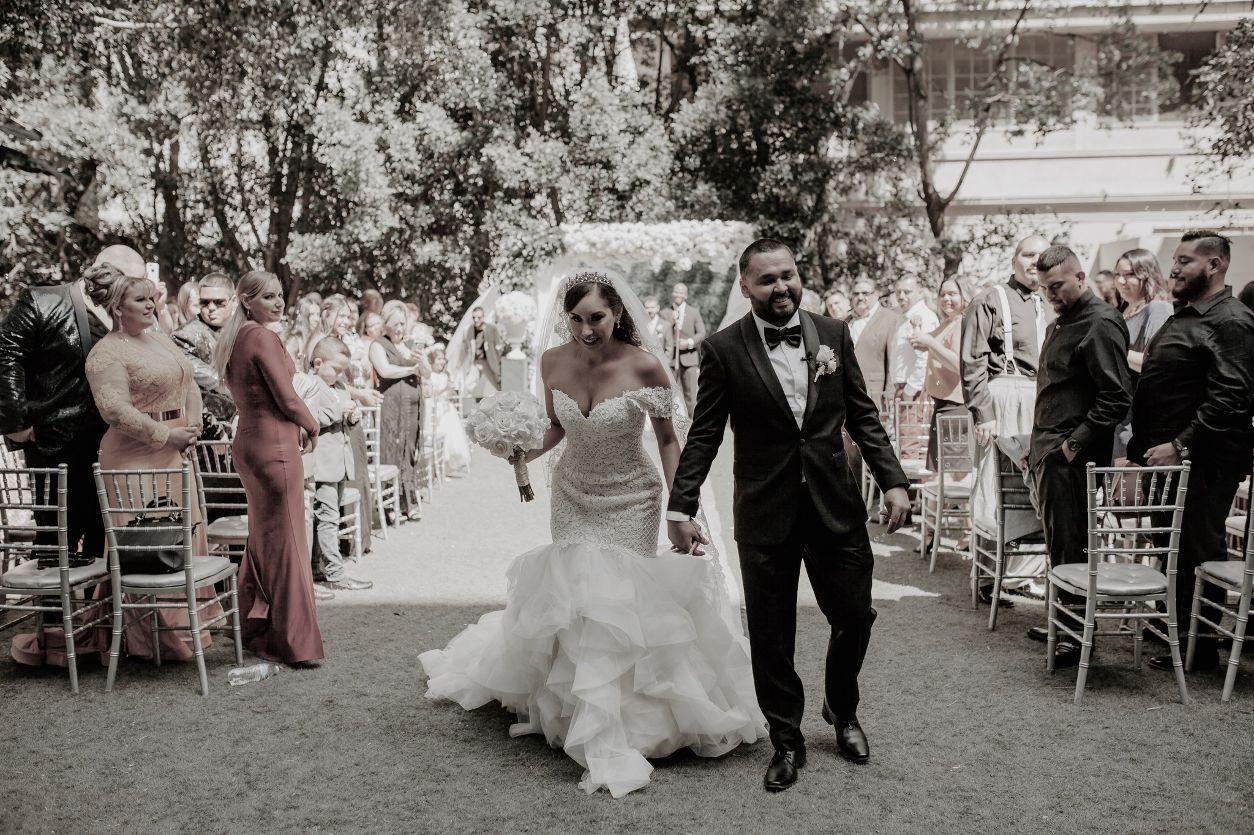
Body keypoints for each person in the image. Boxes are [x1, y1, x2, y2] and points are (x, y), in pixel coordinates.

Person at [421, 270, 764, 798]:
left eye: (597, 318)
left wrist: (681, 508)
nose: (586, 330)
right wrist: (520, 451)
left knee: (615, 600)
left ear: (618, 313)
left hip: (632, 496)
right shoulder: (551, 362)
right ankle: (579, 708)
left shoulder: (644, 365)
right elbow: (558, 426)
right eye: (576, 319)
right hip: (572, 493)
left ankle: (621, 723)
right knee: (578, 598)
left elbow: (668, 439)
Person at [668, 239, 911, 793]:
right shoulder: (723, 349)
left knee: (855, 616)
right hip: (764, 510)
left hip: (834, 504)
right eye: (767, 279)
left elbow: (863, 415)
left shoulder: (833, 334)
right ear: (745, 286)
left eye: (788, 275)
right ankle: (786, 739)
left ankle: (841, 708)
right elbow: (704, 436)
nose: (781, 287)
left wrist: (893, 480)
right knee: (772, 633)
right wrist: (681, 506)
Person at [1127, 231, 1254, 673]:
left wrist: (1181, 445)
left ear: (1215, 265)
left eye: (1185, 261)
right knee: (1172, 546)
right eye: (1175, 260)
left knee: (1197, 548)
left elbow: (1232, 398)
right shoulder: (1185, 315)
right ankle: (1175, 628)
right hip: (1164, 460)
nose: (1175, 268)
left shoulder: (1232, 321)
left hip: (1203, 460)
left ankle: (1199, 647)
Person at [85, 268, 220, 661]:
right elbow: (115, 410)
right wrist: (165, 435)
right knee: (148, 542)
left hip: (176, 450)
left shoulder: (160, 339)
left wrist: (191, 428)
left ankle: (188, 625)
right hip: (134, 458)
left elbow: (188, 382)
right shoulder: (106, 352)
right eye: (140, 300)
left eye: (151, 298)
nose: (151, 305)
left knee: (183, 535)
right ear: (117, 307)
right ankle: (152, 637)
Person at [0, 246, 143, 565]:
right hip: (55, 446)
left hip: (109, 447)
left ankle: (96, 598)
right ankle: (53, 598)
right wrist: (17, 423)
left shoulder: (126, 315)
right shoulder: (43, 300)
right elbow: (6, 354)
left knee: (103, 538)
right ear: (105, 273)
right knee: (55, 541)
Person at [1025, 246, 1132, 666]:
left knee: (1072, 544)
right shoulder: (1061, 322)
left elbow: (1116, 397)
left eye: (1057, 286)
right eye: (1044, 288)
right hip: (1050, 452)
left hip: (1073, 457)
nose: (1050, 295)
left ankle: (1074, 635)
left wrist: (1071, 446)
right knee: (1059, 542)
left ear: (1081, 277)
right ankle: (1063, 622)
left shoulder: (1101, 322)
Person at [213, 270, 324, 666]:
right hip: (274, 446)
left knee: (264, 538)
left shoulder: (236, 338)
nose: (278, 303)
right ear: (247, 301)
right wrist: (313, 425)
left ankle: (253, 627)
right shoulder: (261, 337)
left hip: (251, 444)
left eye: (280, 296)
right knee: (289, 538)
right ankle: (293, 642)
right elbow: (287, 397)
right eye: (268, 297)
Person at [960, 234, 1052, 601]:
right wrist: (983, 413)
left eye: (1042, 255)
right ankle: (986, 576)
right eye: (1028, 254)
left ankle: (1024, 574)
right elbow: (972, 360)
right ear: (1015, 259)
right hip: (1003, 399)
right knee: (995, 486)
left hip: (1039, 401)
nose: (1035, 261)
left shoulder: (1050, 302)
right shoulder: (991, 299)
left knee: (1032, 488)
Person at [299, 337, 373, 592]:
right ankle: (335, 572)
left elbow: (343, 420)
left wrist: (353, 417)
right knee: (328, 517)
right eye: (337, 369)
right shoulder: (309, 385)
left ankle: (317, 566)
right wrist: (338, 411)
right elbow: (309, 419)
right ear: (318, 363)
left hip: (340, 462)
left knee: (330, 516)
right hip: (322, 464)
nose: (341, 375)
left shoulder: (340, 387)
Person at [1110, 249, 1174, 459]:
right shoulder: (1123, 311)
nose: (1121, 281)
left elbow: (1154, 363)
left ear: (1147, 275)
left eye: (1129, 274)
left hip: (1136, 418)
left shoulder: (1158, 308)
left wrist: (1111, 352)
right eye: (1117, 274)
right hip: (1117, 414)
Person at [370, 302, 429, 519]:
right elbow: (385, 370)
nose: (399, 328)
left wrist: (422, 364)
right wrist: (411, 369)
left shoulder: (411, 345)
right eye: (395, 324)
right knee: (391, 450)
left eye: (402, 324)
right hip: (391, 407)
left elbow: (427, 373)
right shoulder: (378, 345)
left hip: (413, 407)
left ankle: (409, 502)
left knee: (409, 450)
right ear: (385, 325)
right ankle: (389, 505)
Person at [908, 277, 970, 472]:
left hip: (955, 406)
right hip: (942, 403)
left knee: (954, 473)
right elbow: (926, 345)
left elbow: (957, 363)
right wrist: (918, 331)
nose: (946, 299)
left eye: (952, 294)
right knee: (940, 471)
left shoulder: (962, 322)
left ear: (964, 296)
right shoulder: (948, 322)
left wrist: (929, 342)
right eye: (942, 294)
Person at [171, 272, 237, 435]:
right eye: (205, 302)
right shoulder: (184, 336)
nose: (211, 308)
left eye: (219, 302)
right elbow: (217, 382)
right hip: (208, 433)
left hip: (241, 428)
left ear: (234, 301)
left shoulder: (242, 332)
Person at [846, 276, 901, 409]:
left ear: (876, 294)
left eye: (865, 293)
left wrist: (890, 394)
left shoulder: (891, 319)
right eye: (856, 294)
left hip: (875, 394)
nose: (860, 297)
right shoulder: (844, 321)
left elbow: (893, 361)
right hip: (847, 394)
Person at [890, 275, 940, 402]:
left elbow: (926, 358)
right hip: (904, 390)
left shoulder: (925, 316)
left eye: (907, 292)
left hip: (916, 393)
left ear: (920, 292)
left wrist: (909, 391)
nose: (901, 296)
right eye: (898, 292)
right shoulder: (903, 317)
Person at [426, 348, 471, 477]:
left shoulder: (445, 375)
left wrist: (451, 389)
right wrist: (445, 389)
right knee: (440, 433)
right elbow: (430, 394)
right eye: (439, 359)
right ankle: (435, 468)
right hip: (434, 409)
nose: (442, 361)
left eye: (443, 359)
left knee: (452, 437)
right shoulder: (429, 376)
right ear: (432, 361)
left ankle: (445, 468)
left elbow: (449, 394)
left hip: (447, 408)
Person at [668, 282, 706, 414]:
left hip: (689, 359)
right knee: (668, 394)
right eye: (676, 291)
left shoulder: (694, 312)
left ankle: (693, 423)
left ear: (686, 295)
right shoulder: (664, 312)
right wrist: (671, 321)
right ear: (672, 294)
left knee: (691, 396)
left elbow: (701, 333)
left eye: (681, 292)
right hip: (670, 360)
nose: (678, 294)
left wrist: (689, 342)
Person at [469, 306, 503, 398]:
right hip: (476, 362)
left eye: (478, 317)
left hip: (488, 362)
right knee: (469, 385)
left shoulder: (492, 328)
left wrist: (499, 361)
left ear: (483, 317)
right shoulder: (470, 329)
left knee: (497, 385)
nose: (476, 320)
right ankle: (471, 404)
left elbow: (498, 346)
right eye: (474, 317)